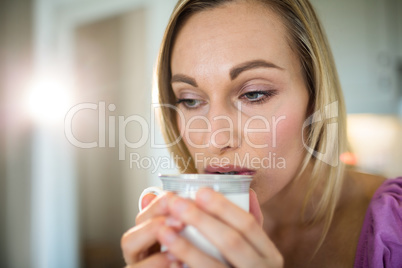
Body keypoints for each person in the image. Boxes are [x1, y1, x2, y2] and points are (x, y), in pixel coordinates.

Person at [121, 0, 402, 267]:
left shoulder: (395, 227)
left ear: (316, 99)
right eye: (190, 100)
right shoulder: (183, 237)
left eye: (254, 94)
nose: (215, 139)